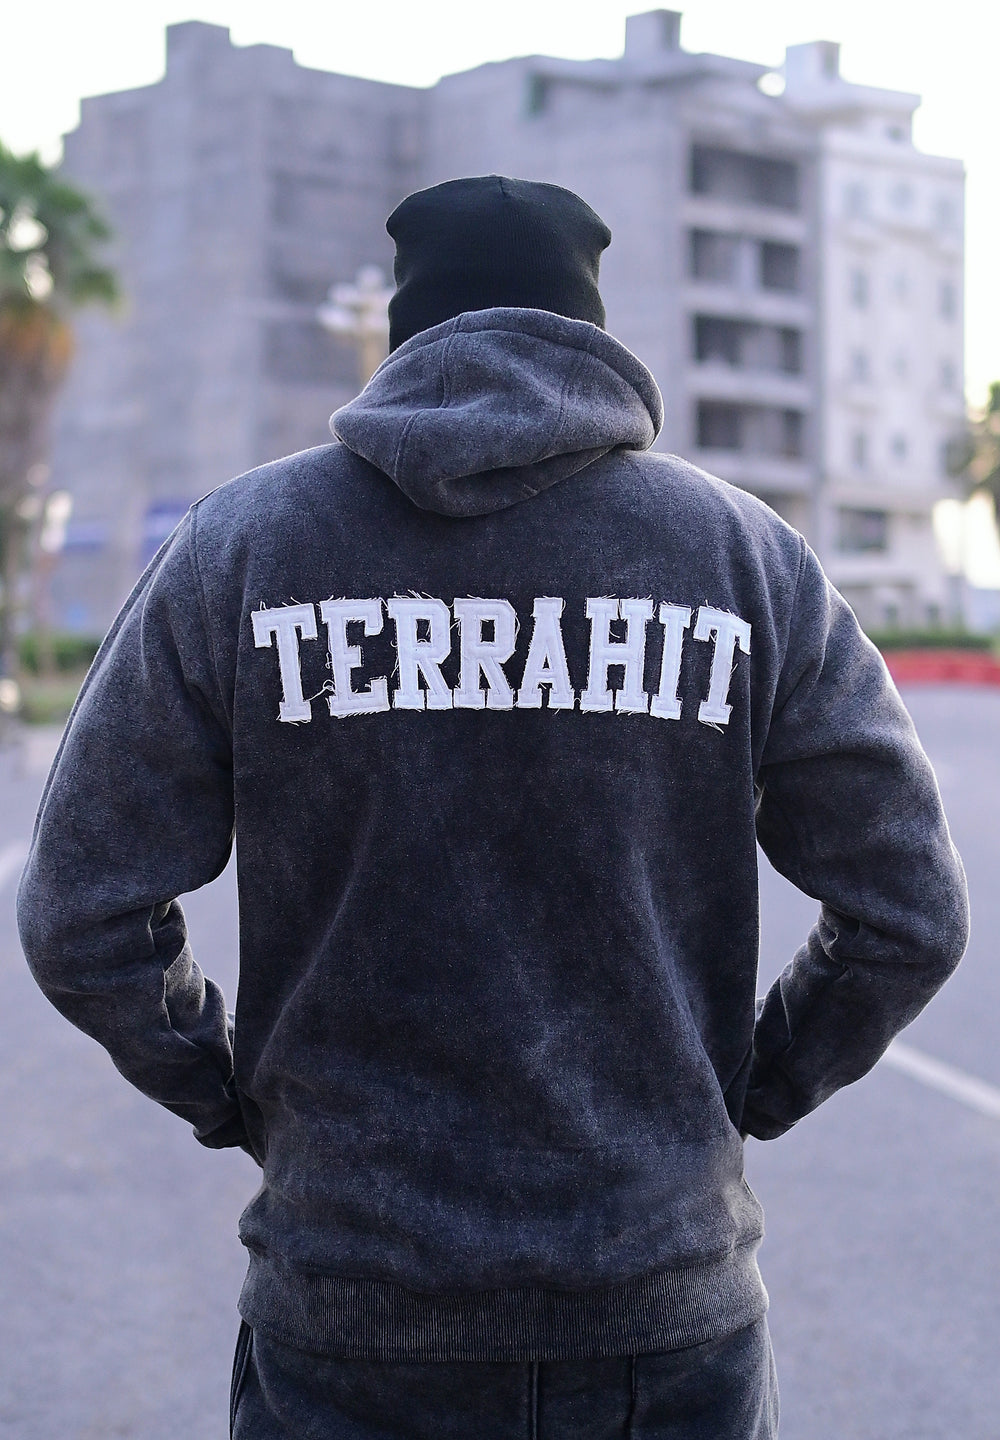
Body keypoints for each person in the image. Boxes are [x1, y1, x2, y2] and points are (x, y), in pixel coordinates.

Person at [18, 175, 968, 1439]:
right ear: (591, 324)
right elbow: (908, 912)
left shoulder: (242, 549)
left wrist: (232, 1093)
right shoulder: (744, 561)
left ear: (405, 329)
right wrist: (747, 1089)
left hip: (349, 1308)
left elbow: (81, 911)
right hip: (660, 1310)